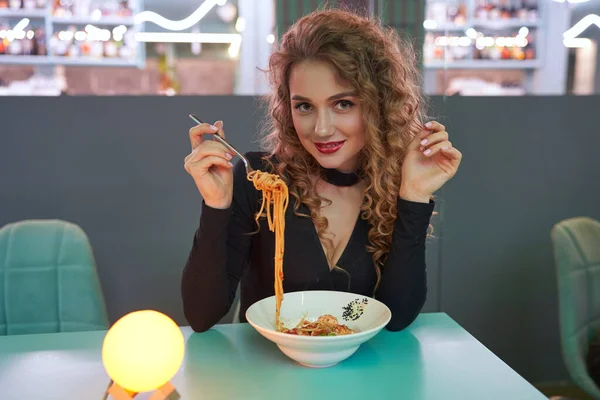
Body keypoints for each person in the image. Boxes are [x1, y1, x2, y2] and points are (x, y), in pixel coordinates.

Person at [181, 8, 462, 333]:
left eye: (343, 103)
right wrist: (216, 206)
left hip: (359, 378)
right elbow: (202, 315)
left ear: (378, 104)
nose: (322, 129)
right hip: (267, 376)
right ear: (288, 108)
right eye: (305, 106)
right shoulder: (260, 180)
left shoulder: (395, 186)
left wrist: (414, 196)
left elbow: (397, 316)